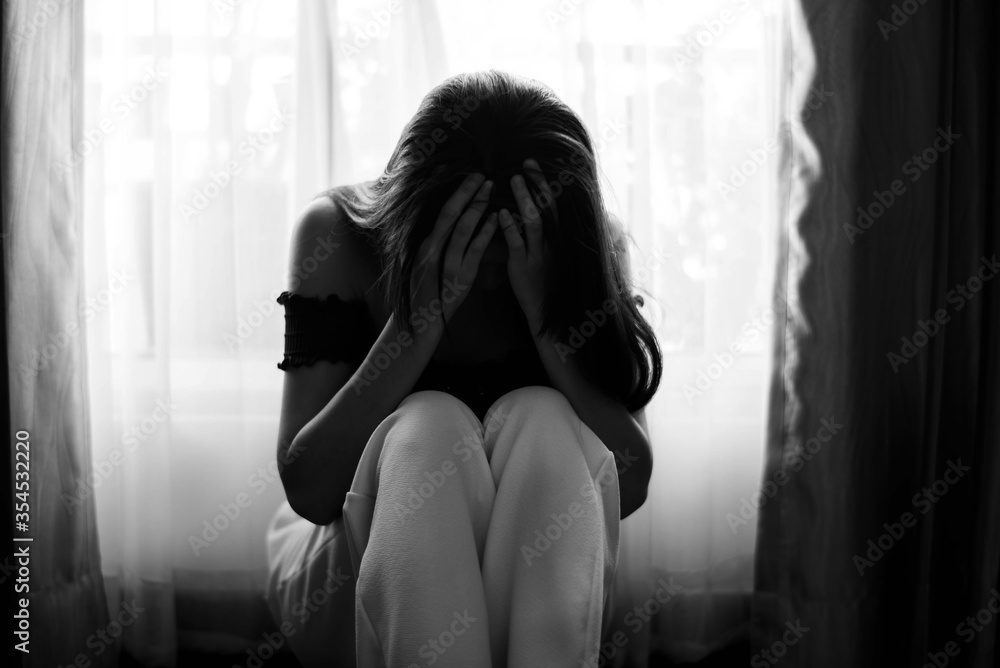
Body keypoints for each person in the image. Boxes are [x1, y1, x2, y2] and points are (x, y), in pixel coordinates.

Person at [264, 69, 662, 668]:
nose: (488, 277)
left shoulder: (586, 248)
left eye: (508, 252)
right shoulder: (339, 235)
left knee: (545, 416)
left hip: (534, 587)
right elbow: (312, 491)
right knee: (428, 425)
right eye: (468, 245)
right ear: (417, 219)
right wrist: (412, 329)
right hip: (344, 574)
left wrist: (550, 324)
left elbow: (627, 483)